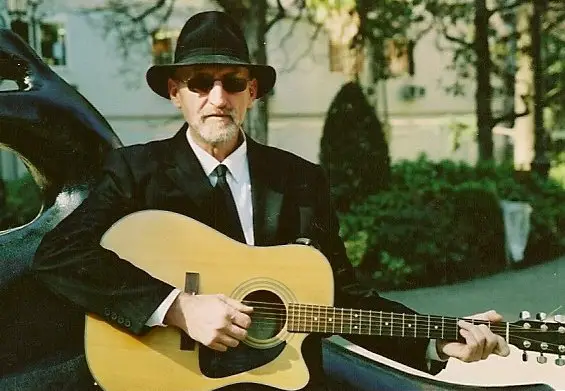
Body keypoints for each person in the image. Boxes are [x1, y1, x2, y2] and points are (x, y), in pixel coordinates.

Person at [32, 10, 510, 391]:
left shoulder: (301, 181)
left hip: (282, 383)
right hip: (169, 379)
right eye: (200, 82)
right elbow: (59, 255)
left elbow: (341, 299)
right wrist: (177, 307)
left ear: (252, 92)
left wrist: (437, 338)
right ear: (176, 93)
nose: (217, 97)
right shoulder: (137, 172)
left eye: (233, 82)